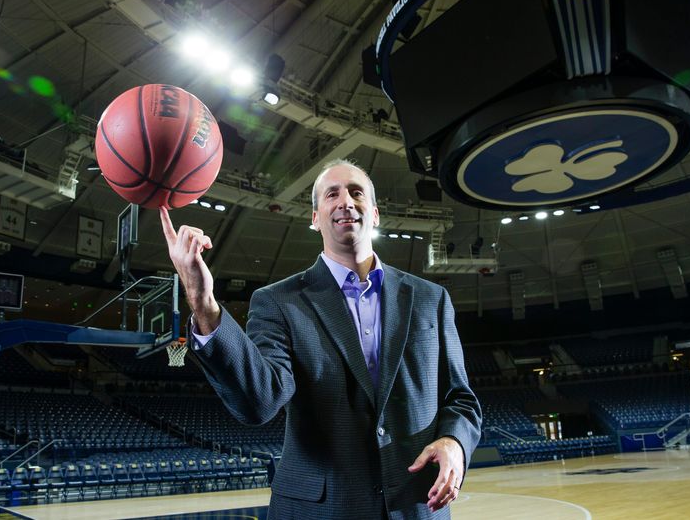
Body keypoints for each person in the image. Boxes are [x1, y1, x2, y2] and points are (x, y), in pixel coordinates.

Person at [160, 159, 482, 519]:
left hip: (417, 505)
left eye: (356, 192)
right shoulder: (277, 302)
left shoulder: (430, 298)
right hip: (321, 510)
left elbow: (460, 398)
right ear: (315, 218)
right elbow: (259, 403)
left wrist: (455, 443)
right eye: (332, 194)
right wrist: (203, 304)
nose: (346, 200)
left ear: (374, 215)